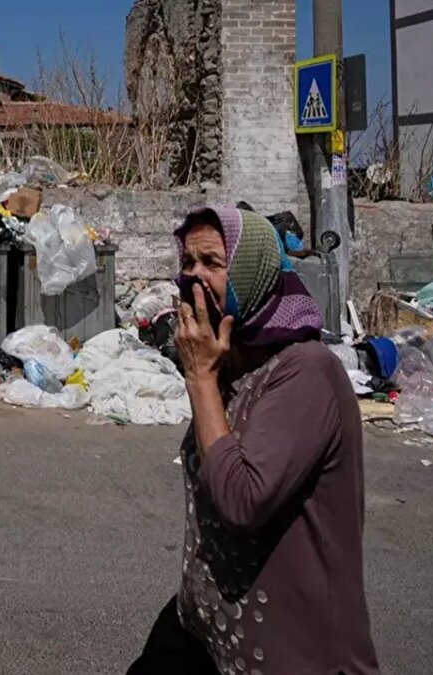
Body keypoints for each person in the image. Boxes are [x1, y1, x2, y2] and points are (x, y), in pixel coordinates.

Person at [127, 206, 379, 675]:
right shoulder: (233, 362)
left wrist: (201, 380)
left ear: (252, 274)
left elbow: (242, 499)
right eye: (188, 263)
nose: (195, 277)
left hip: (294, 656)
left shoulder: (306, 372)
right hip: (206, 634)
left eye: (212, 263)